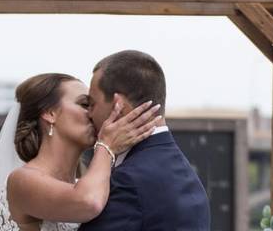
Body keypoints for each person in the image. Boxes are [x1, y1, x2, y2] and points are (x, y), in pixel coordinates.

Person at [0, 72, 162, 231]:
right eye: (85, 104)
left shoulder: (94, 185)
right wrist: (107, 146)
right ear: (50, 113)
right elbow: (88, 203)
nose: (93, 113)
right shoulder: (21, 181)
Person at [80, 50, 210, 230]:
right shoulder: (188, 176)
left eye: (92, 103)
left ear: (119, 105)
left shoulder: (128, 180)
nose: (89, 113)